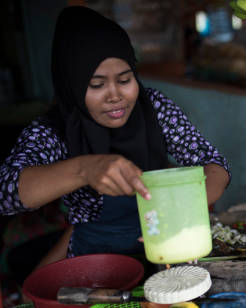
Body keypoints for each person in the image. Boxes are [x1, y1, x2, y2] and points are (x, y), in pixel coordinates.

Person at [0, 6, 230, 270]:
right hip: (95, 263)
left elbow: (214, 164)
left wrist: (180, 213)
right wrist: (85, 170)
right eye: (97, 85)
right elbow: (6, 193)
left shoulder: (154, 108)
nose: (115, 95)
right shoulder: (54, 130)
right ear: (71, 84)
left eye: (124, 79)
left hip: (166, 254)